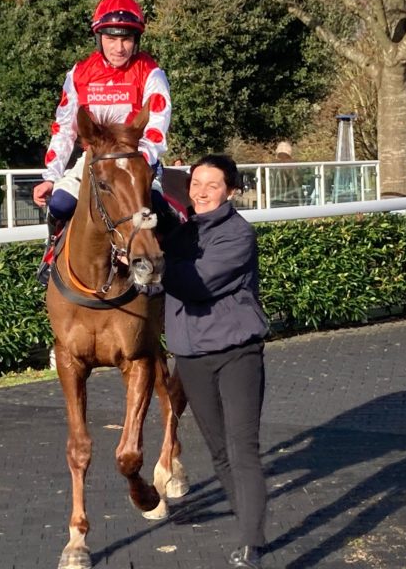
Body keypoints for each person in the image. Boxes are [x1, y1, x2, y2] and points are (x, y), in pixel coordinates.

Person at [162, 154, 269, 569]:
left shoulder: (238, 234)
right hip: (191, 358)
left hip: (237, 354)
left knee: (243, 449)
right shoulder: (179, 235)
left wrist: (153, 268)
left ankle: (251, 545)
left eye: (212, 185)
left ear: (230, 190)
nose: (201, 191)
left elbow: (198, 283)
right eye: (195, 184)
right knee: (219, 451)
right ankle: (249, 527)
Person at [32, 0, 173, 284]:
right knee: (59, 204)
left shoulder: (151, 72)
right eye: (111, 38)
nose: (119, 47)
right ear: (99, 37)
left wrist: (136, 161)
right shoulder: (79, 74)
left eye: (127, 39)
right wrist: (51, 175)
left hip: (136, 160)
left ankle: (163, 274)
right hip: (95, 159)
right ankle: (50, 256)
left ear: (136, 40)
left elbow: (157, 125)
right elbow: (64, 127)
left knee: (159, 207)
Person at [269, 141, 302, 206]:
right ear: (289, 152)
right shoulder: (291, 165)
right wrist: (301, 202)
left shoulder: (271, 166)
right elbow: (296, 184)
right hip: (287, 201)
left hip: (272, 200)